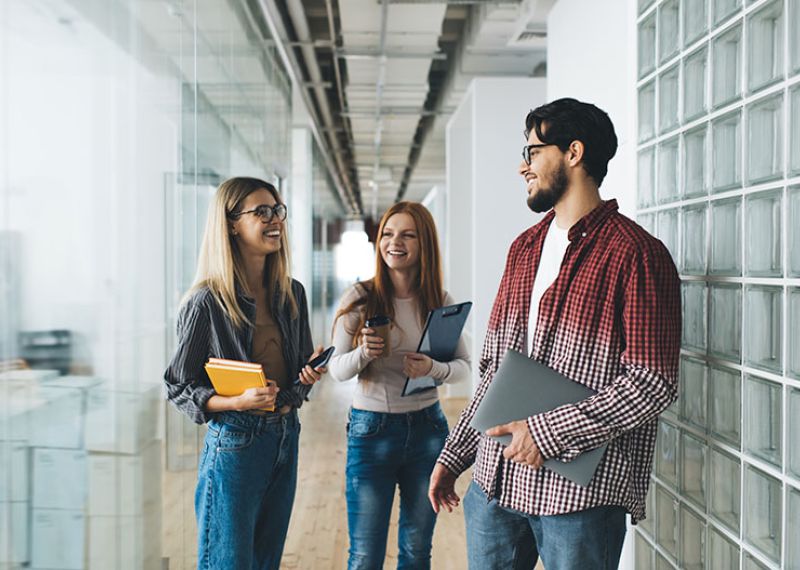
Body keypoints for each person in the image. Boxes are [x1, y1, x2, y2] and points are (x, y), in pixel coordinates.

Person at [428, 98, 681, 569]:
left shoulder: (637, 255)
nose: (522, 166)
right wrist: (455, 454)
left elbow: (652, 383)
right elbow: (493, 370)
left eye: (533, 152)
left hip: (580, 501)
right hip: (496, 485)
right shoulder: (523, 249)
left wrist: (545, 434)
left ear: (574, 153)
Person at [164, 176, 326, 570]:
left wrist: (306, 377)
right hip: (236, 444)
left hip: (285, 436)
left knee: (266, 562)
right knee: (227, 562)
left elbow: (296, 375)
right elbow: (179, 386)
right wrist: (236, 401)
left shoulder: (292, 293)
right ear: (232, 223)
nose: (275, 220)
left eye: (278, 210)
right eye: (262, 212)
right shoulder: (206, 302)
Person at [328, 201, 471, 570]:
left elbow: (463, 368)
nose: (395, 242)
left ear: (425, 244)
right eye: (388, 234)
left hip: (428, 431)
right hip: (371, 431)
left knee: (417, 551)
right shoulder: (359, 297)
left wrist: (433, 368)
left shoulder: (439, 301)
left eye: (408, 235)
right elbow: (336, 370)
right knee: (365, 556)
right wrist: (364, 353)